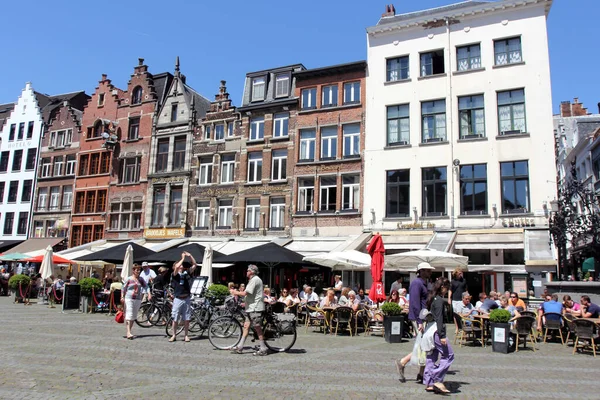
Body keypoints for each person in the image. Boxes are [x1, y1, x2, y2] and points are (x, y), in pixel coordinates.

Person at [396, 262, 434, 384]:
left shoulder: (424, 283)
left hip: (423, 317)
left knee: (425, 344)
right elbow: (415, 303)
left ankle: (421, 373)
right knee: (424, 345)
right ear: (421, 271)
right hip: (419, 318)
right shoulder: (417, 283)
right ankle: (402, 362)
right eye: (428, 270)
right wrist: (419, 321)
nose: (430, 272)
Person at [229, 264, 268, 356]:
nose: (246, 272)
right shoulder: (253, 280)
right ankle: (240, 346)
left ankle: (263, 348)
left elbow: (245, 293)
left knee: (257, 327)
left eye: (247, 270)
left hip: (255, 308)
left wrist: (235, 292)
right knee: (246, 326)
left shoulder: (254, 280)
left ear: (251, 272)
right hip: (250, 307)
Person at [423, 278, 453, 394]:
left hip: (429, 330)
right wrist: (442, 335)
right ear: (442, 287)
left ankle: (429, 382)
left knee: (432, 355)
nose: (447, 291)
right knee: (449, 355)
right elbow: (439, 318)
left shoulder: (431, 298)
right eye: (447, 288)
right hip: (436, 330)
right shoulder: (439, 300)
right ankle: (437, 377)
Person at [169, 252, 199, 343]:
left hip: (186, 298)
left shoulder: (186, 273)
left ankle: (186, 335)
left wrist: (190, 256)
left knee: (187, 318)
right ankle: (174, 335)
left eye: (182, 265)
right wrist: (182, 258)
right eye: (179, 265)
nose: (181, 266)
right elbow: (177, 267)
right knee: (175, 318)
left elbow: (194, 265)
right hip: (178, 298)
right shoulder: (174, 275)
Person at [120, 264, 151, 340]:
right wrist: (122, 296)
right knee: (129, 313)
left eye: (139, 270)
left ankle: (129, 331)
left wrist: (149, 294)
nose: (138, 271)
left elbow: (146, 286)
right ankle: (128, 332)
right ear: (133, 271)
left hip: (138, 299)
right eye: (137, 270)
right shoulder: (129, 279)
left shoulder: (141, 279)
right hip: (129, 298)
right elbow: (123, 288)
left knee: (134, 315)